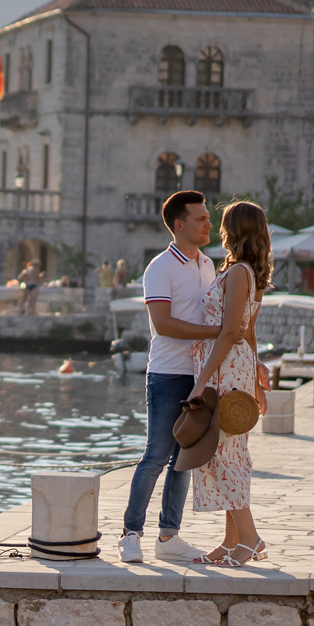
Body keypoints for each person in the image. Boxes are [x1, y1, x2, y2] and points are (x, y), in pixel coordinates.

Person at [120, 191, 221, 564]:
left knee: (184, 460)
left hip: (200, 375)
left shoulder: (208, 265)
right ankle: (131, 534)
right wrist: (216, 333)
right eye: (201, 219)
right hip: (167, 374)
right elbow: (162, 324)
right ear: (180, 224)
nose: (209, 224)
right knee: (156, 457)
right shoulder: (160, 267)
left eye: (207, 218)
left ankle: (168, 536)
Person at [187, 200, 273, 565]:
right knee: (231, 453)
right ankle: (231, 540)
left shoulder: (239, 273)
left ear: (234, 230)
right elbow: (248, 332)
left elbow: (229, 333)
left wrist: (201, 382)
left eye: (223, 224)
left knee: (222, 455)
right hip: (236, 368)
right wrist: (256, 382)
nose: (219, 230)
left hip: (224, 370)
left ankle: (250, 538)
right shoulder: (249, 272)